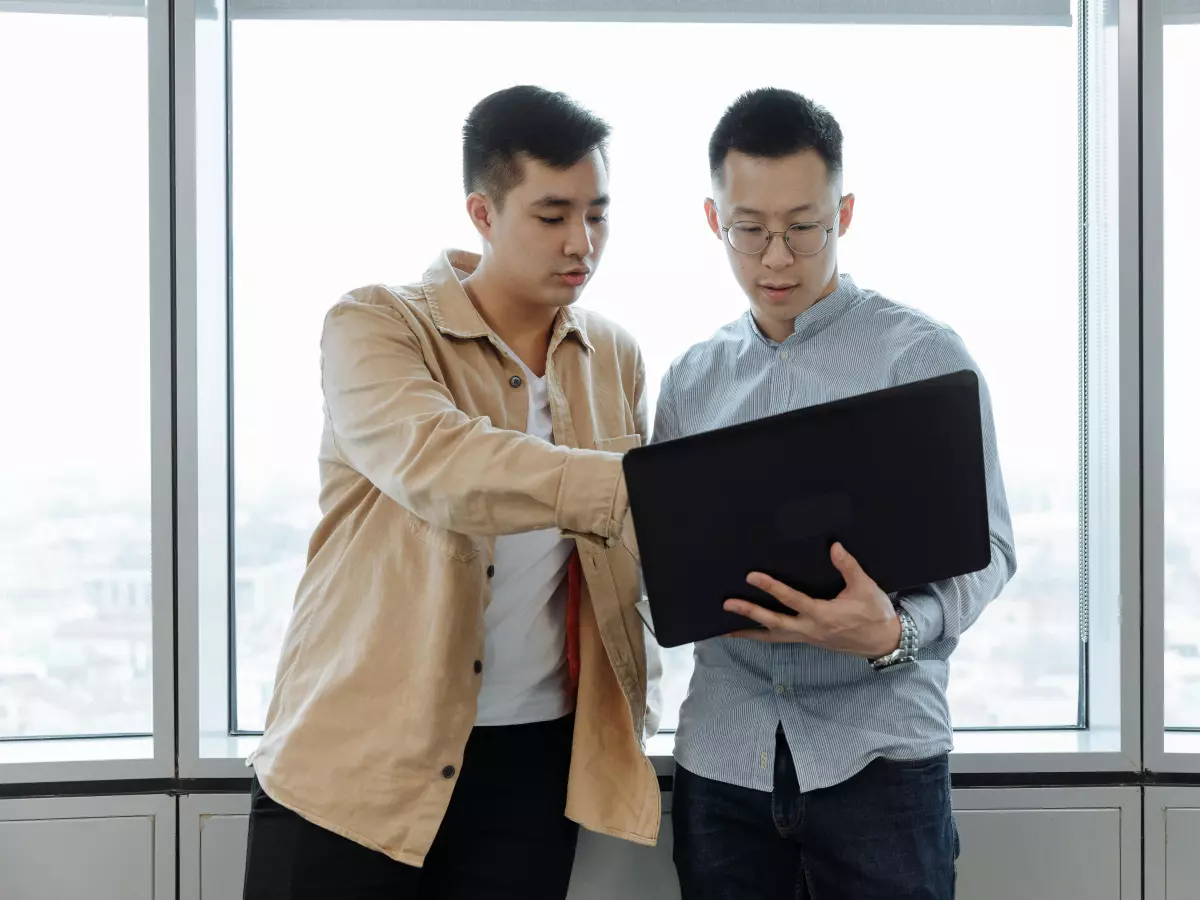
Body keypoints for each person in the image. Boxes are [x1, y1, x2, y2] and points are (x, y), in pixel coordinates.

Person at [241, 85, 663, 900]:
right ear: (482, 211)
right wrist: (637, 487)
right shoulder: (376, 324)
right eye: (552, 215)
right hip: (355, 764)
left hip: (533, 770)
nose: (583, 242)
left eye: (598, 213)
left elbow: (631, 555)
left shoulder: (615, 355)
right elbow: (444, 468)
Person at [659, 87, 1018, 900]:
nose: (777, 258)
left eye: (803, 227)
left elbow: (991, 551)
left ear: (844, 214)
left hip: (880, 758)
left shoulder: (920, 357)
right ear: (715, 221)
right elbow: (670, 556)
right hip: (724, 763)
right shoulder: (690, 380)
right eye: (749, 230)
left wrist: (895, 629)